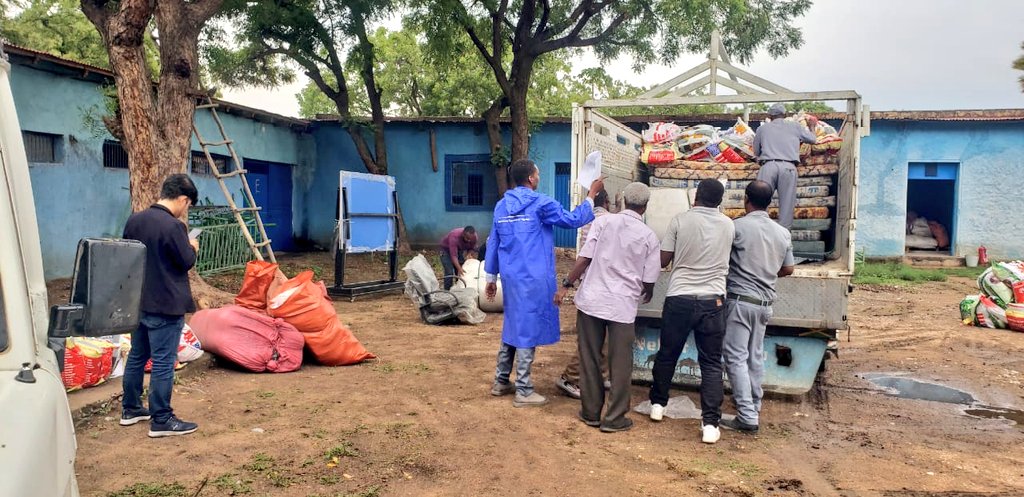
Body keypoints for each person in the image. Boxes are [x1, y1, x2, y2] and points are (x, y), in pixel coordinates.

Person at [485, 159, 604, 407]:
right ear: (531, 178)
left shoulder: (501, 206)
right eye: (537, 174)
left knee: (514, 325)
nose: (538, 177)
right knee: (527, 328)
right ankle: (524, 390)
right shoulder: (541, 204)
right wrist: (591, 196)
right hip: (535, 278)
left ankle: (501, 381)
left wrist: (490, 277)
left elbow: (493, 242)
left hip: (511, 278)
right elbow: (572, 220)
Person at [555, 183, 660, 432]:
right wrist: (647, 293)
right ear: (645, 206)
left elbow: (584, 259)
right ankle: (614, 418)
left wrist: (567, 284)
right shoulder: (649, 237)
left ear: (622, 200)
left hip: (591, 300)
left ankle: (590, 412)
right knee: (620, 363)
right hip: (622, 307)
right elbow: (649, 280)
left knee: (590, 357)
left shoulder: (602, 223)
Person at [648, 179, 734, 444]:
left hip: (680, 298)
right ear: (720, 201)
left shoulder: (679, 221)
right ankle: (710, 424)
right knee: (710, 362)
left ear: (695, 196)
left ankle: (658, 406)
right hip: (713, 300)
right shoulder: (729, 225)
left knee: (668, 354)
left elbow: (663, 260)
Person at [120, 174, 200, 438]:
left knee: (137, 356)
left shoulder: (135, 220)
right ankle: (162, 419)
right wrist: (193, 247)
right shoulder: (174, 227)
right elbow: (185, 261)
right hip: (166, 304)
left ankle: (130, 408)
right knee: (164, 361)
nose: (185, 209)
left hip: (139, 301)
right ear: (183, 199)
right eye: (187, 204)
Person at [720, 181, 795, 434]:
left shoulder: (736, 227)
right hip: (765, 304)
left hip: (741, 301)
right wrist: (767, 273)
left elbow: (721, 259)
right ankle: (754, 404)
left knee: (735, 357)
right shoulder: (782, 232)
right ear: (770, 202)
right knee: (754, 356)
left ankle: (747, 416)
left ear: (746, 199)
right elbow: (788, 269)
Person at [555, 189, 611, 399]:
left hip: (590, 285)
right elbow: (585, 259)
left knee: (601, 338)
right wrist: (566, 284)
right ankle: (569, 378)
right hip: (601, 288)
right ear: (607, 202)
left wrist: (569, 284)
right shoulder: (609, 221)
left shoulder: (587, 221)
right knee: (594, 340)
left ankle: (601, 374)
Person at [753, 103, 818, 229]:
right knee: (787, 206)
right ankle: (783, 239)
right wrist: (812, 127)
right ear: (785, 115)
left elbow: (756, 152)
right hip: (788, 167)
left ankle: (760, 234)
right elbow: (813, 140)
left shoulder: (762, 129)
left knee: (760, 204)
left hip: (768, 166)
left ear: (770, 116)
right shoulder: (795, 126)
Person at [439, 225, 478, 290]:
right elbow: (454, 255)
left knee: (460, 271)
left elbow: (472, 248)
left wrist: (469, 254)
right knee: (449, 272)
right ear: (463, 234)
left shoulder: (474, 237)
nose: (468, 240)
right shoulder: (454, 236)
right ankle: (447, 291)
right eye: (467, 238)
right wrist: (459, 268)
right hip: (445, 251)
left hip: (459, 250)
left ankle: (459, 288)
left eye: (470, 239)